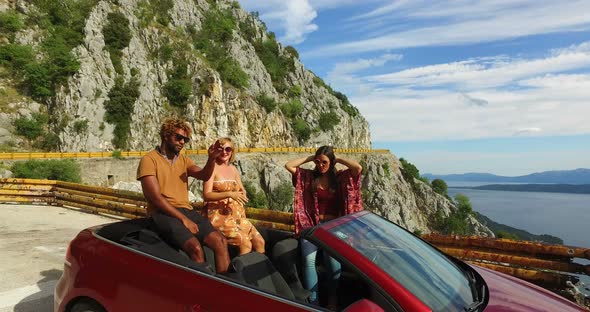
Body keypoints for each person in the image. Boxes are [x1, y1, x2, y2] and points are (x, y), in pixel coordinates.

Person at [137, 118, 230, 273]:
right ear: (166, 136)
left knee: (220, 241)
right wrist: (184, 219)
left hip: (185, 209)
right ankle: (199, 291)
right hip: (162, 213)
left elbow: (203, 175)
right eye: (178, 137)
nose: (182, 142)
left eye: (185, 139)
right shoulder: (149, 160)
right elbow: (154, 198)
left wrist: (212, 158)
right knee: (195, 249)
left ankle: (227, 288)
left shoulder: (184, 160)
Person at [285, 145, 363, 308]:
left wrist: (337, 158)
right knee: (308, 261)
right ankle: (314, 302)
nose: (320, 165)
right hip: (312, 225)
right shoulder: (309, 177)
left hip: (334, 226)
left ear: (331, 162)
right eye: (318, 162)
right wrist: (311, 158)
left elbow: (357, 168)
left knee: (333, 262)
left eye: (324, 162)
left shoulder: (341, 177)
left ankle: (333, 299)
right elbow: (289, 165)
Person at [202, 137, 265, 255]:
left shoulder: (233, 169)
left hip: (236, 215)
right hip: (218, 216)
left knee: (260, 241)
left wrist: (243, 192)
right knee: (245, 243)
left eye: (228, 149)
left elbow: (241, 188)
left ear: (232, 152)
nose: (224, 152)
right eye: (221, 149)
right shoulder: (211, 168)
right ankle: (241, 272)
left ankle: (259, 270)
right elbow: (206, 195)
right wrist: (229, 194)